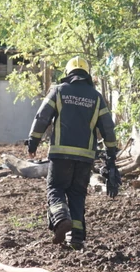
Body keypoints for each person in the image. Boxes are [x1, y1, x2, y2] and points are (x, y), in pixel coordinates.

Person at [27, 56, 117, 249]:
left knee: (56, 189)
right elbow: (108, 128)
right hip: (85, 157)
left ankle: (60, 218)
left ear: (68, 73)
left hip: (60, 155)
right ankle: (76, 237)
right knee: (77, 194)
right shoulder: (96, 97)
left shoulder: (59, 91)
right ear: (86, 74)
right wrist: (112, 153)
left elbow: (42, 117)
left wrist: (33, 142)